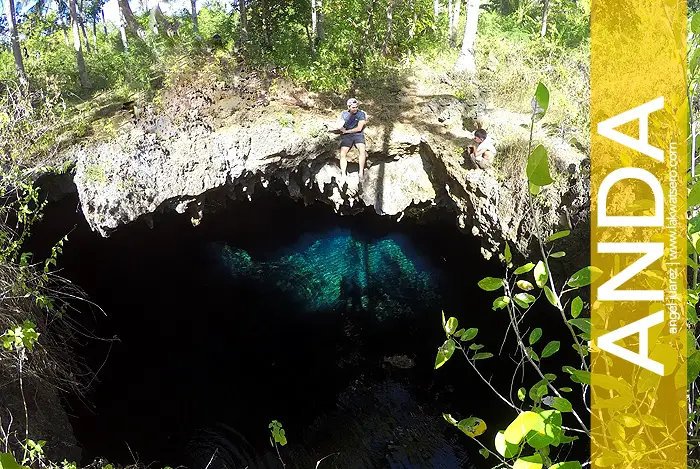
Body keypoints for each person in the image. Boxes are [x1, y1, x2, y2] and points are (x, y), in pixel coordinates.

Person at [335, 98, 367, 183]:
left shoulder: (361, 114)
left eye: (356, 107)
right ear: (349, 107)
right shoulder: (344, 114)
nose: (355, 109)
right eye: (353, 107)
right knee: (343, 153)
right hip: (347, 135)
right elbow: (339, 123)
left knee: (362, 150)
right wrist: (339, 128)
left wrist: (346, 131)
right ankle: (343, 174)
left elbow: (359, 128)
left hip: (358, 134)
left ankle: (361, 172)